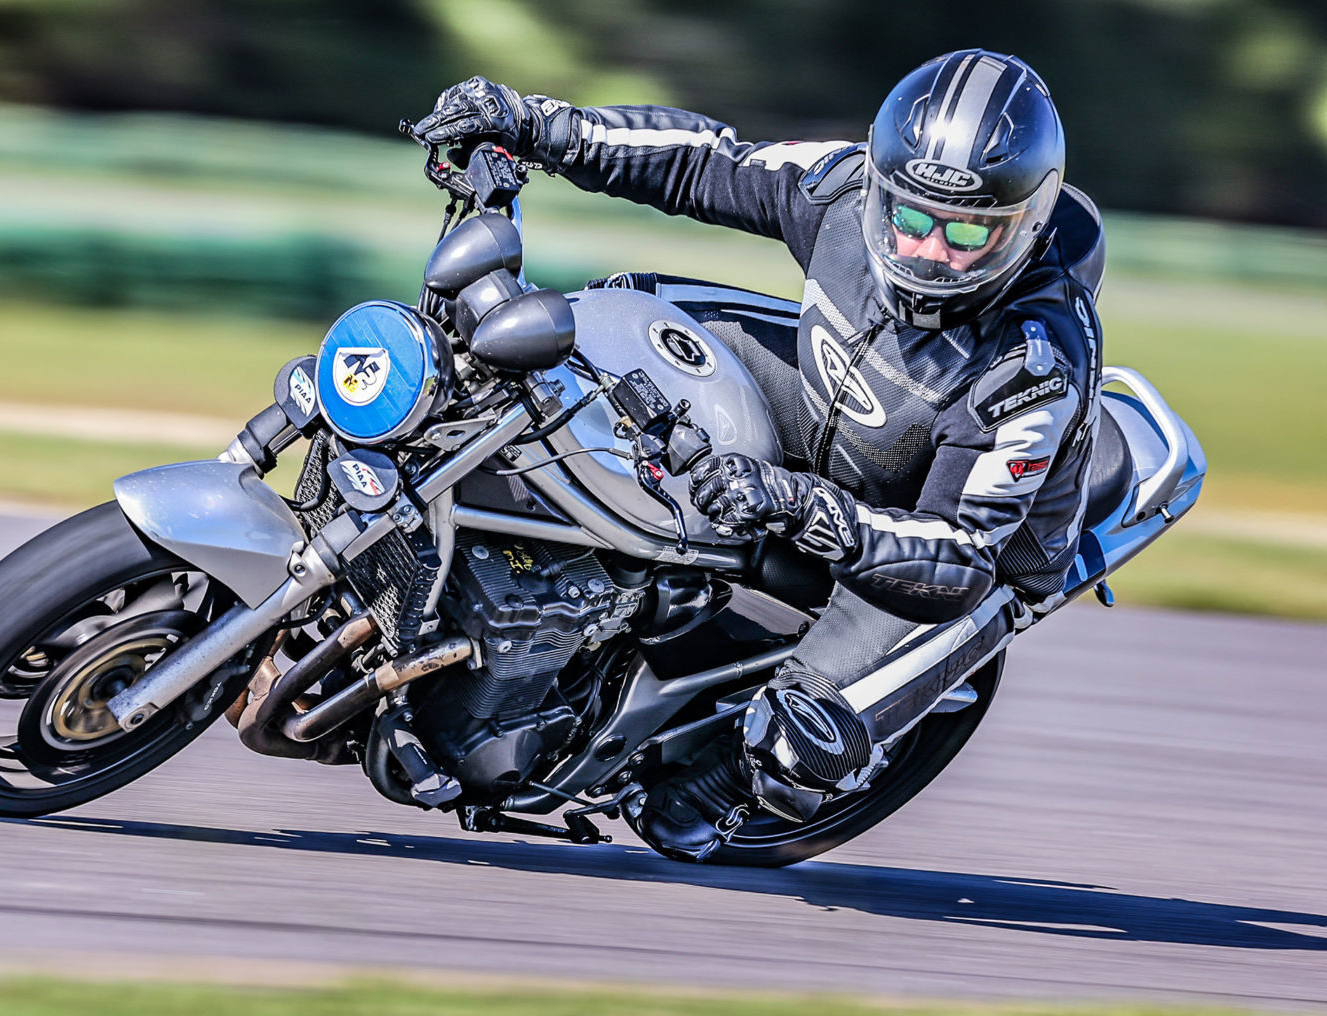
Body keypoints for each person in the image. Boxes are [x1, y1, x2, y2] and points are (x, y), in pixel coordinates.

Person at [412, 50, 1105, 861]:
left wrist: (801, 506)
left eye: (964, 234)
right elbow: (707, 159)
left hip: (940, 549)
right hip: (831, 395)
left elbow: (962, 557)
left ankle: (731, 783)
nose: (926, 252)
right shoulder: (844, 185)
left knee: (775, 753)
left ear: (1026, 223)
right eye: (911, 220)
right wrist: (533, 125)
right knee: (615, 315)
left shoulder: (1035, 364)